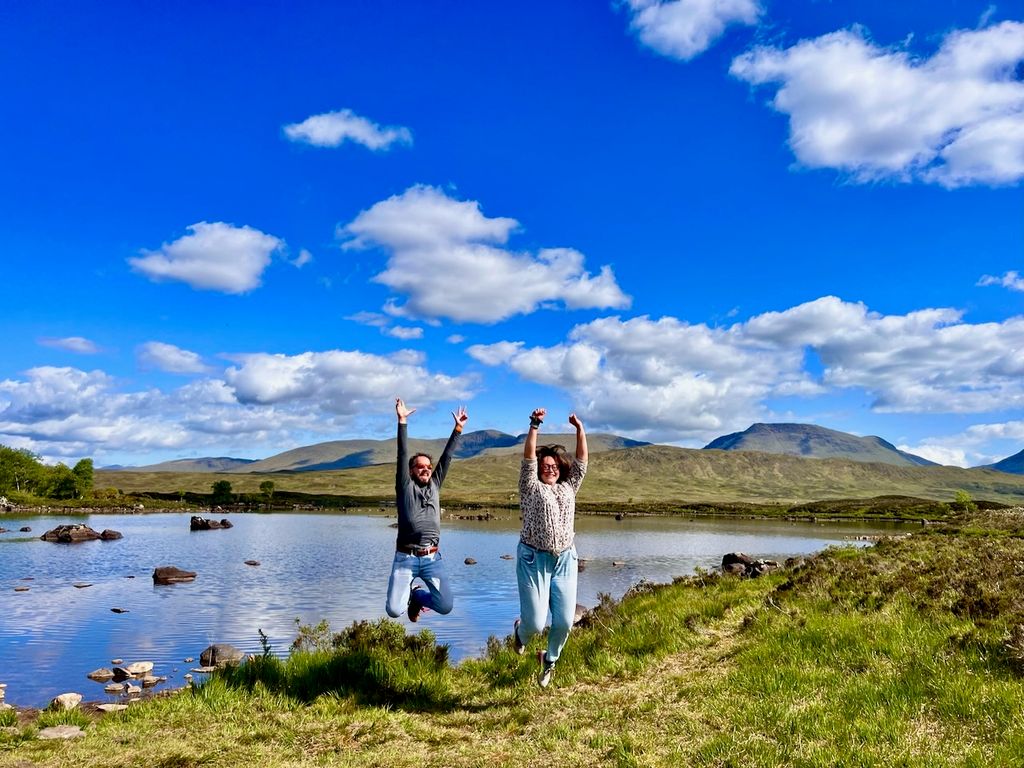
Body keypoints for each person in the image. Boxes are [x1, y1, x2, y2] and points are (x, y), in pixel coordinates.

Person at [512, 407, 588, 688]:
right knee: (534, 623)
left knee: (565, 622)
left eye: (554, 466)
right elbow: (529, 459)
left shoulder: (569, 487)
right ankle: (521, 633)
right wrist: (534, 424)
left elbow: (581, 463)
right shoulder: (530, 486)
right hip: (534, 558)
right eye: (546, 466)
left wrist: (580, 430)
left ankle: (549, 660)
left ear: (560, 468)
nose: (550, 469)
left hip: (565, 559)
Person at [385, 397, 468, 623]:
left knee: (446, 605)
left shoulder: (435, 483)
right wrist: (402, 421)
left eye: (428, 467)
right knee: (393, 610)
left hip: (433, 557)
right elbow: (402, 455)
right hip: (405, 557)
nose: (425, 470)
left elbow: (447, 457)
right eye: (420, 467)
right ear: (411, 471)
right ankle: (410, 594)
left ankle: (418, 596)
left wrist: (458, 428)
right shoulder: (405, 486)